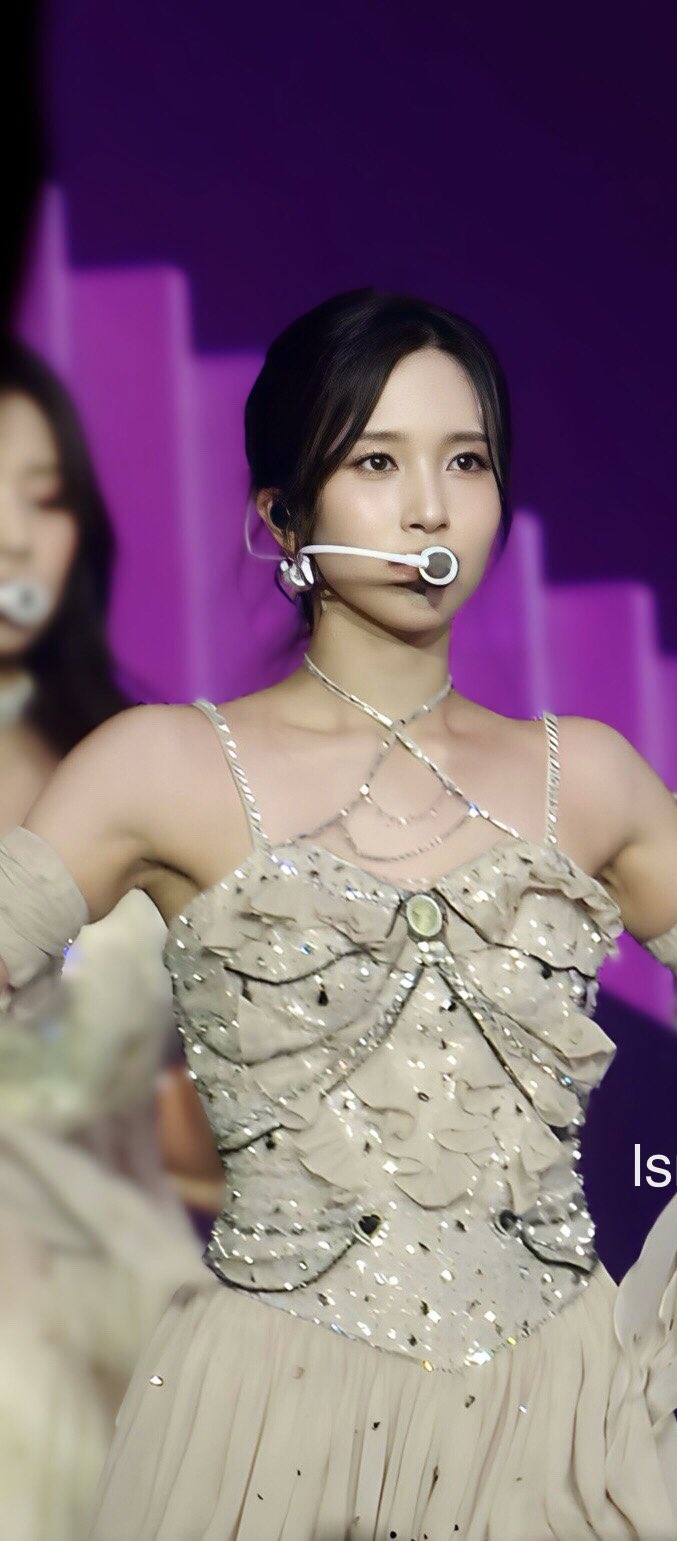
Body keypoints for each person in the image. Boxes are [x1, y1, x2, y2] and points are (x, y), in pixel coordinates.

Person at [0, 291, 677, 1541]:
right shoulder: (162, 766)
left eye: (466, 461)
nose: (430, 505)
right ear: (280, 514)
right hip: (275, 1426)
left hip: (557, 1429)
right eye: (377, 462)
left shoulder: (589, 778)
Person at [0, 337, 212, 1541]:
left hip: (141, 1308)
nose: (13, 540)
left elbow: (179, 1103)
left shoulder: (141, 763)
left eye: (45, 498)